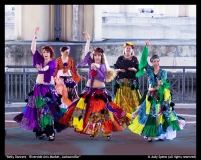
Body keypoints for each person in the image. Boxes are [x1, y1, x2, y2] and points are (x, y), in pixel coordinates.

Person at [58, 31, 131, 140]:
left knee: (104, 111)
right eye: (95, 55)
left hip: (100, 92)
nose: (97, 57)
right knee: (91, 112)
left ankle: (106, 132)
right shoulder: (90, 63)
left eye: (99, 55)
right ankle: (93, 131)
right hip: (89, 91)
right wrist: (88, 40)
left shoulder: (103, 66)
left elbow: (103, 77)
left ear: (101, 57)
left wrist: (97, 67)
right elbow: (86, 53)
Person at [13, 27, 65, 141]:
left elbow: (47, 68)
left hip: (48, 89)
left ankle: (50, 132)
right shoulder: (40, 59)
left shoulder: (53, 62)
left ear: (50, 53)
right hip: (37, 88)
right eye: (44, 52)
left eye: (47, 52)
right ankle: (40, 132)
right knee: (37, 110)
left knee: (47, 110)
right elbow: (32, 49)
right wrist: (35, 36)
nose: (45, 54)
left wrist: (42, 68)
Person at [128, 40, 186, 142]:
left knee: (161, 113)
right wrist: (146, 48)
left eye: (157, 61)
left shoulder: (163, 72)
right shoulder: (149, 70)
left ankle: (160, 135)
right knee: (149, 113)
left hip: (160, 95)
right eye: (154, 61)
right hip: (150, 95)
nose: (156, 63)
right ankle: (150, 135)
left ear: (159, 61)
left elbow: (162, 85)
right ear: (152, 62)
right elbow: (142, 61)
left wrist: (157, 86)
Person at [113, 42, 142, 115]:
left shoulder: (134, 59)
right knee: (122, 100)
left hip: (131, 83)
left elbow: (138, 70)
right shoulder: (120, 58)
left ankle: (132, 115)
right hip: (121, 83)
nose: (128, 49)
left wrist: (133, 69)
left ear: (132, 50)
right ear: (124, 49)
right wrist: (120, 70)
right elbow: (115, 69)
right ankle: (122, 115)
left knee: (132, 100)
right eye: (127, 48)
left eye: (130, 48)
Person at [53, 46, 85, 111]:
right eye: (65, 52)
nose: (67, 54)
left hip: (68, 79)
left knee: (70, 93)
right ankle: (61, 110)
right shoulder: (58, 60)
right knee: (61, 94)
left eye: (68, 52)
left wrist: (79, 76)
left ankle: (69, 109)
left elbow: (74, 70)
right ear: (61, 52)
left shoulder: (70, 60)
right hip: (60, 79)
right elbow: (55, 70)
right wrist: (53, 77)